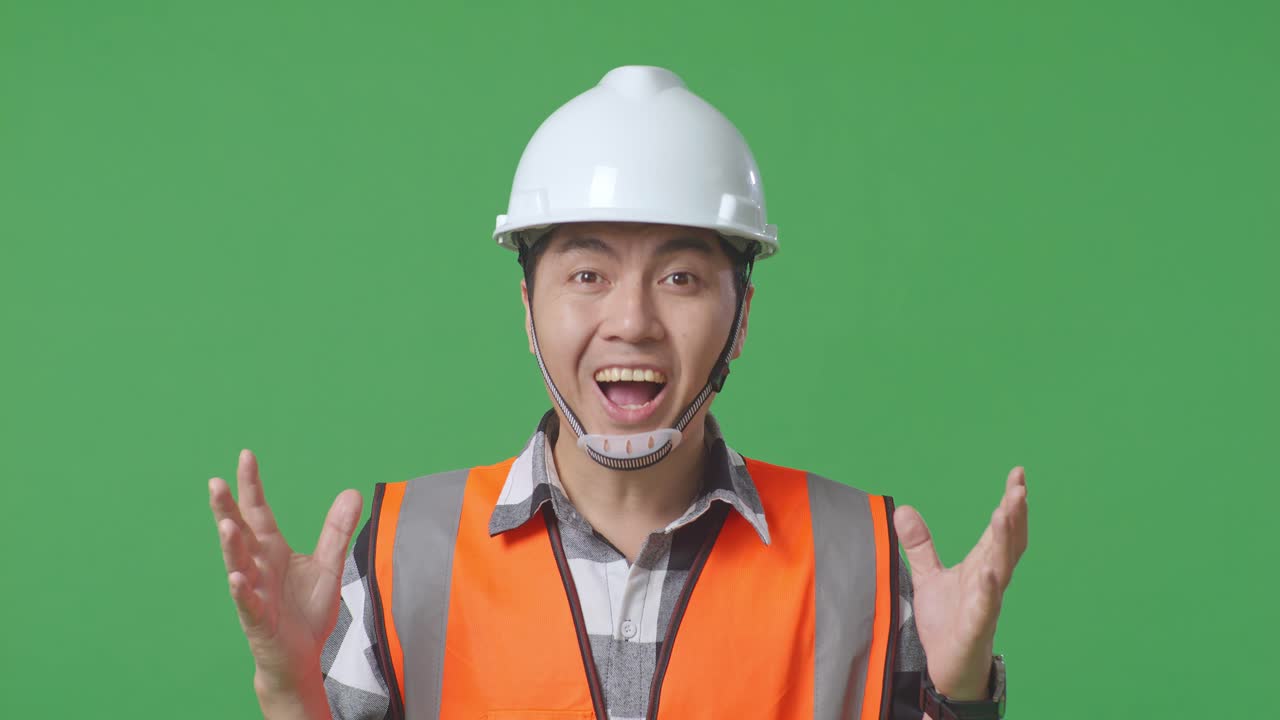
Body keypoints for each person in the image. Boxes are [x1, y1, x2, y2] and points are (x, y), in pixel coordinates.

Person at [208, 66, 1028, 720]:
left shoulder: (863, 560)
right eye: (587, 275)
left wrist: (960, 698)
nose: (632, 322)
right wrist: (291, 690)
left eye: (680, 278)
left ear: (741, 318)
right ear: (528, 310)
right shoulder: (401, 555)